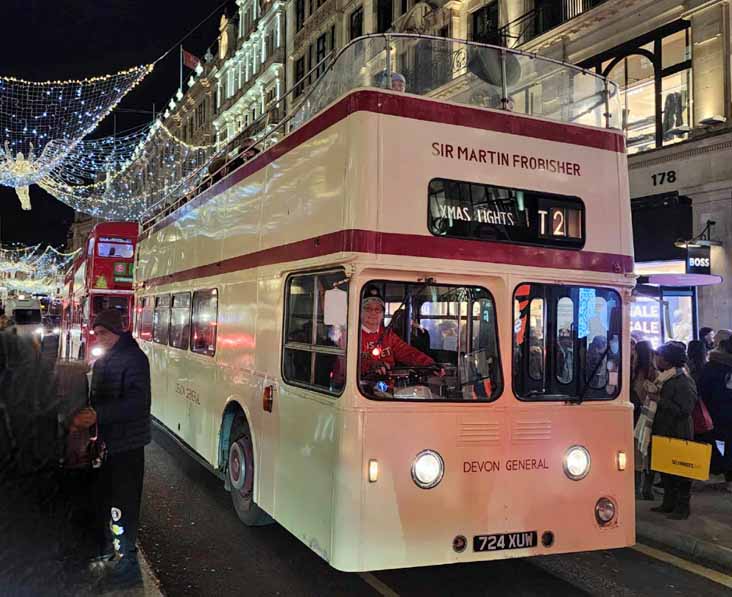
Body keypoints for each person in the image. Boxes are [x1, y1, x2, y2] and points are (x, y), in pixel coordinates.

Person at [70, 309, 151, 590]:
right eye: (96, 333)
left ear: (116, 332)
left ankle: (128, 567)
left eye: (103, 333)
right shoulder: (108, 357)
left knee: (123, 507)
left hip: (127, 447)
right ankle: (110, 553)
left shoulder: (134, 359)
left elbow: (138, 403)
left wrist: (97, 415)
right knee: (105, 500)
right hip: (108, 445)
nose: (98, 338)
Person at [649, 342, 697, 520]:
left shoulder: (683, 381)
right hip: (664, 428)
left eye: (660, 356)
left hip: (678, 431)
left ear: (668, 361)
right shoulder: (665, 378)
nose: (657, 359)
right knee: (665, 468)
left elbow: (685, 409)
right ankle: (668, 503)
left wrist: (659, 400)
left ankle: (682, 507)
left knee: (680, 471)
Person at [360, 286, 439, 376]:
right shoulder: (350, 336)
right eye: (368, 308)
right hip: (360, 386)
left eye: (377, 309)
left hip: (388, 386)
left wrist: (429, 364)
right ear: (360, 312)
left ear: (382, 314)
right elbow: (347, 362)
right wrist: (370, 365)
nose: (373, 313)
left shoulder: (388, 335)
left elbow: (407, 352)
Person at [698, 336, 732, 492]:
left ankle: (720, 471)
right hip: (720, 413)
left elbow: (701, 390)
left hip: (713, 413)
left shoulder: (710, 366)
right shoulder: (722, 368)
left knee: (715, 441)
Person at [630, 340, 657, 499]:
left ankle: (638, 488)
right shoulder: (655, 372)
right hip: (650, 416)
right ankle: (646, 488)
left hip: (639, 416)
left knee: (638, 452)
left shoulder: (637, 372)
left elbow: (639, 393)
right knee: (646, 454)